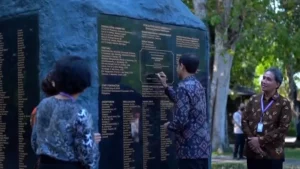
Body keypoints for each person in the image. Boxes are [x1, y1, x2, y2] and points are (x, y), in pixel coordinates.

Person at [31, 56, 100, 169]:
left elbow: (35, 142)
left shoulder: (42, 105)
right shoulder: (80, 113)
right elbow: (88, 158)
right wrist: (92, 141)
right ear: (83, 85)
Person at [157, 53, 210, 169]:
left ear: (182, 66)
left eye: (177, 65)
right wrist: (166, 87)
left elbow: (181, 120)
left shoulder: (183, 87)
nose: (177, 68)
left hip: (189, 150)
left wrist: (168, 126)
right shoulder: (198, 85)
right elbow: (181, 102)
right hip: (202, 149)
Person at [242, 67, 292, 169]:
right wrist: (253, 141)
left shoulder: (284, 103)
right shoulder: (253, 99)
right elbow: (244, 120)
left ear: (277, 84)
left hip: (272, 154)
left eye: (268, 79)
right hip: (253, 153)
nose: (264, 81)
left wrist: (260, 141)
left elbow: (283, 128)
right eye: (263, 78)